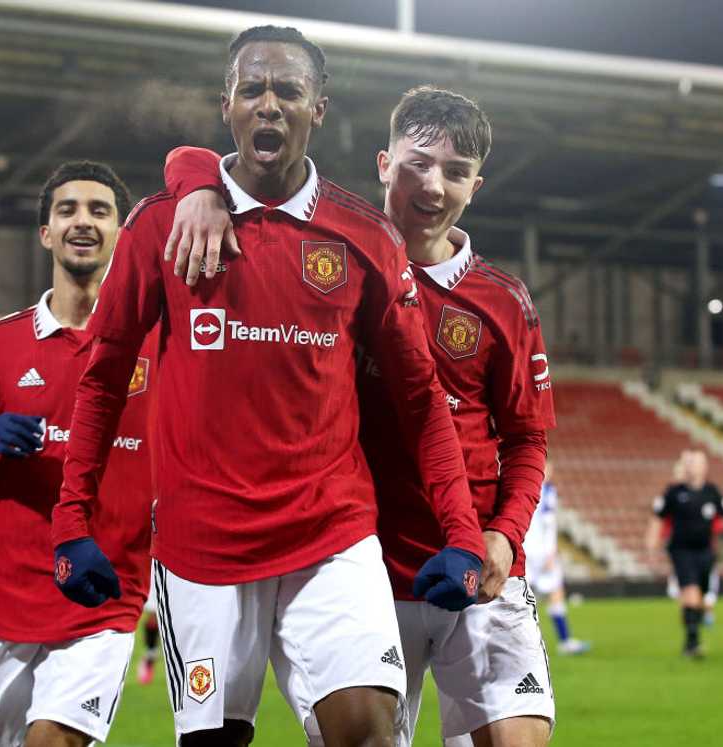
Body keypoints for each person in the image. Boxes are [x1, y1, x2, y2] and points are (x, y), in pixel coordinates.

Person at [53, 26, 485, 747]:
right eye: (253, 89)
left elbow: (420, 399)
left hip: (332, 534)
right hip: (202, 546)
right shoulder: (161, 224)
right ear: (227, 105)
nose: (269, 104)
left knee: (373, 736)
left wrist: (463, 532)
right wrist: (73, 517)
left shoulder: (365, 237)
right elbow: (102, 380)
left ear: (319, 109)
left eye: (289, 90)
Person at [163, 86, 557, 747]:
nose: (433, 186)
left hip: (481, 569)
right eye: (417, 164)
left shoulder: (503, 301)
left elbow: (527, 439)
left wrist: (504, 535)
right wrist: (196, 179)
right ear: (383, 163)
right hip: (363, 569)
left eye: (455, 172)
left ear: (476, 185)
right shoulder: (334, 257)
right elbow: (231, 166)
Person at [0, 160, 156, 746]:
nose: (82, 222)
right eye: (67, 210)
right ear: (46, 233)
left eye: (99, 211)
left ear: (120, 234)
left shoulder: (160, 345)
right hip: (3, 603)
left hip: (101, 599)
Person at [647, 449, 723, 657]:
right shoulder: (674, 492)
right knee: (689, 590)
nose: (693, 467)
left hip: (705, 551)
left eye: (698, 463)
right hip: (681, 551)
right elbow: (657, 518)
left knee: (699, 595)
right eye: (690, 463)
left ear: (705, 467)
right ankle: (692, 643)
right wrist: (652, 544)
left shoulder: (713, 492)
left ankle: (693, 623)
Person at [523, 460, 590, 655]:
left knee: (521, 597)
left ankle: (521, 644)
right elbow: (548, 523)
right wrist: (551, 552)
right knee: (555, 593)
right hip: (541, 551)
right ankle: (565, 641)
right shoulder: (547, 491)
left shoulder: (521, 488)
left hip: (523, 549)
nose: (549, 472)